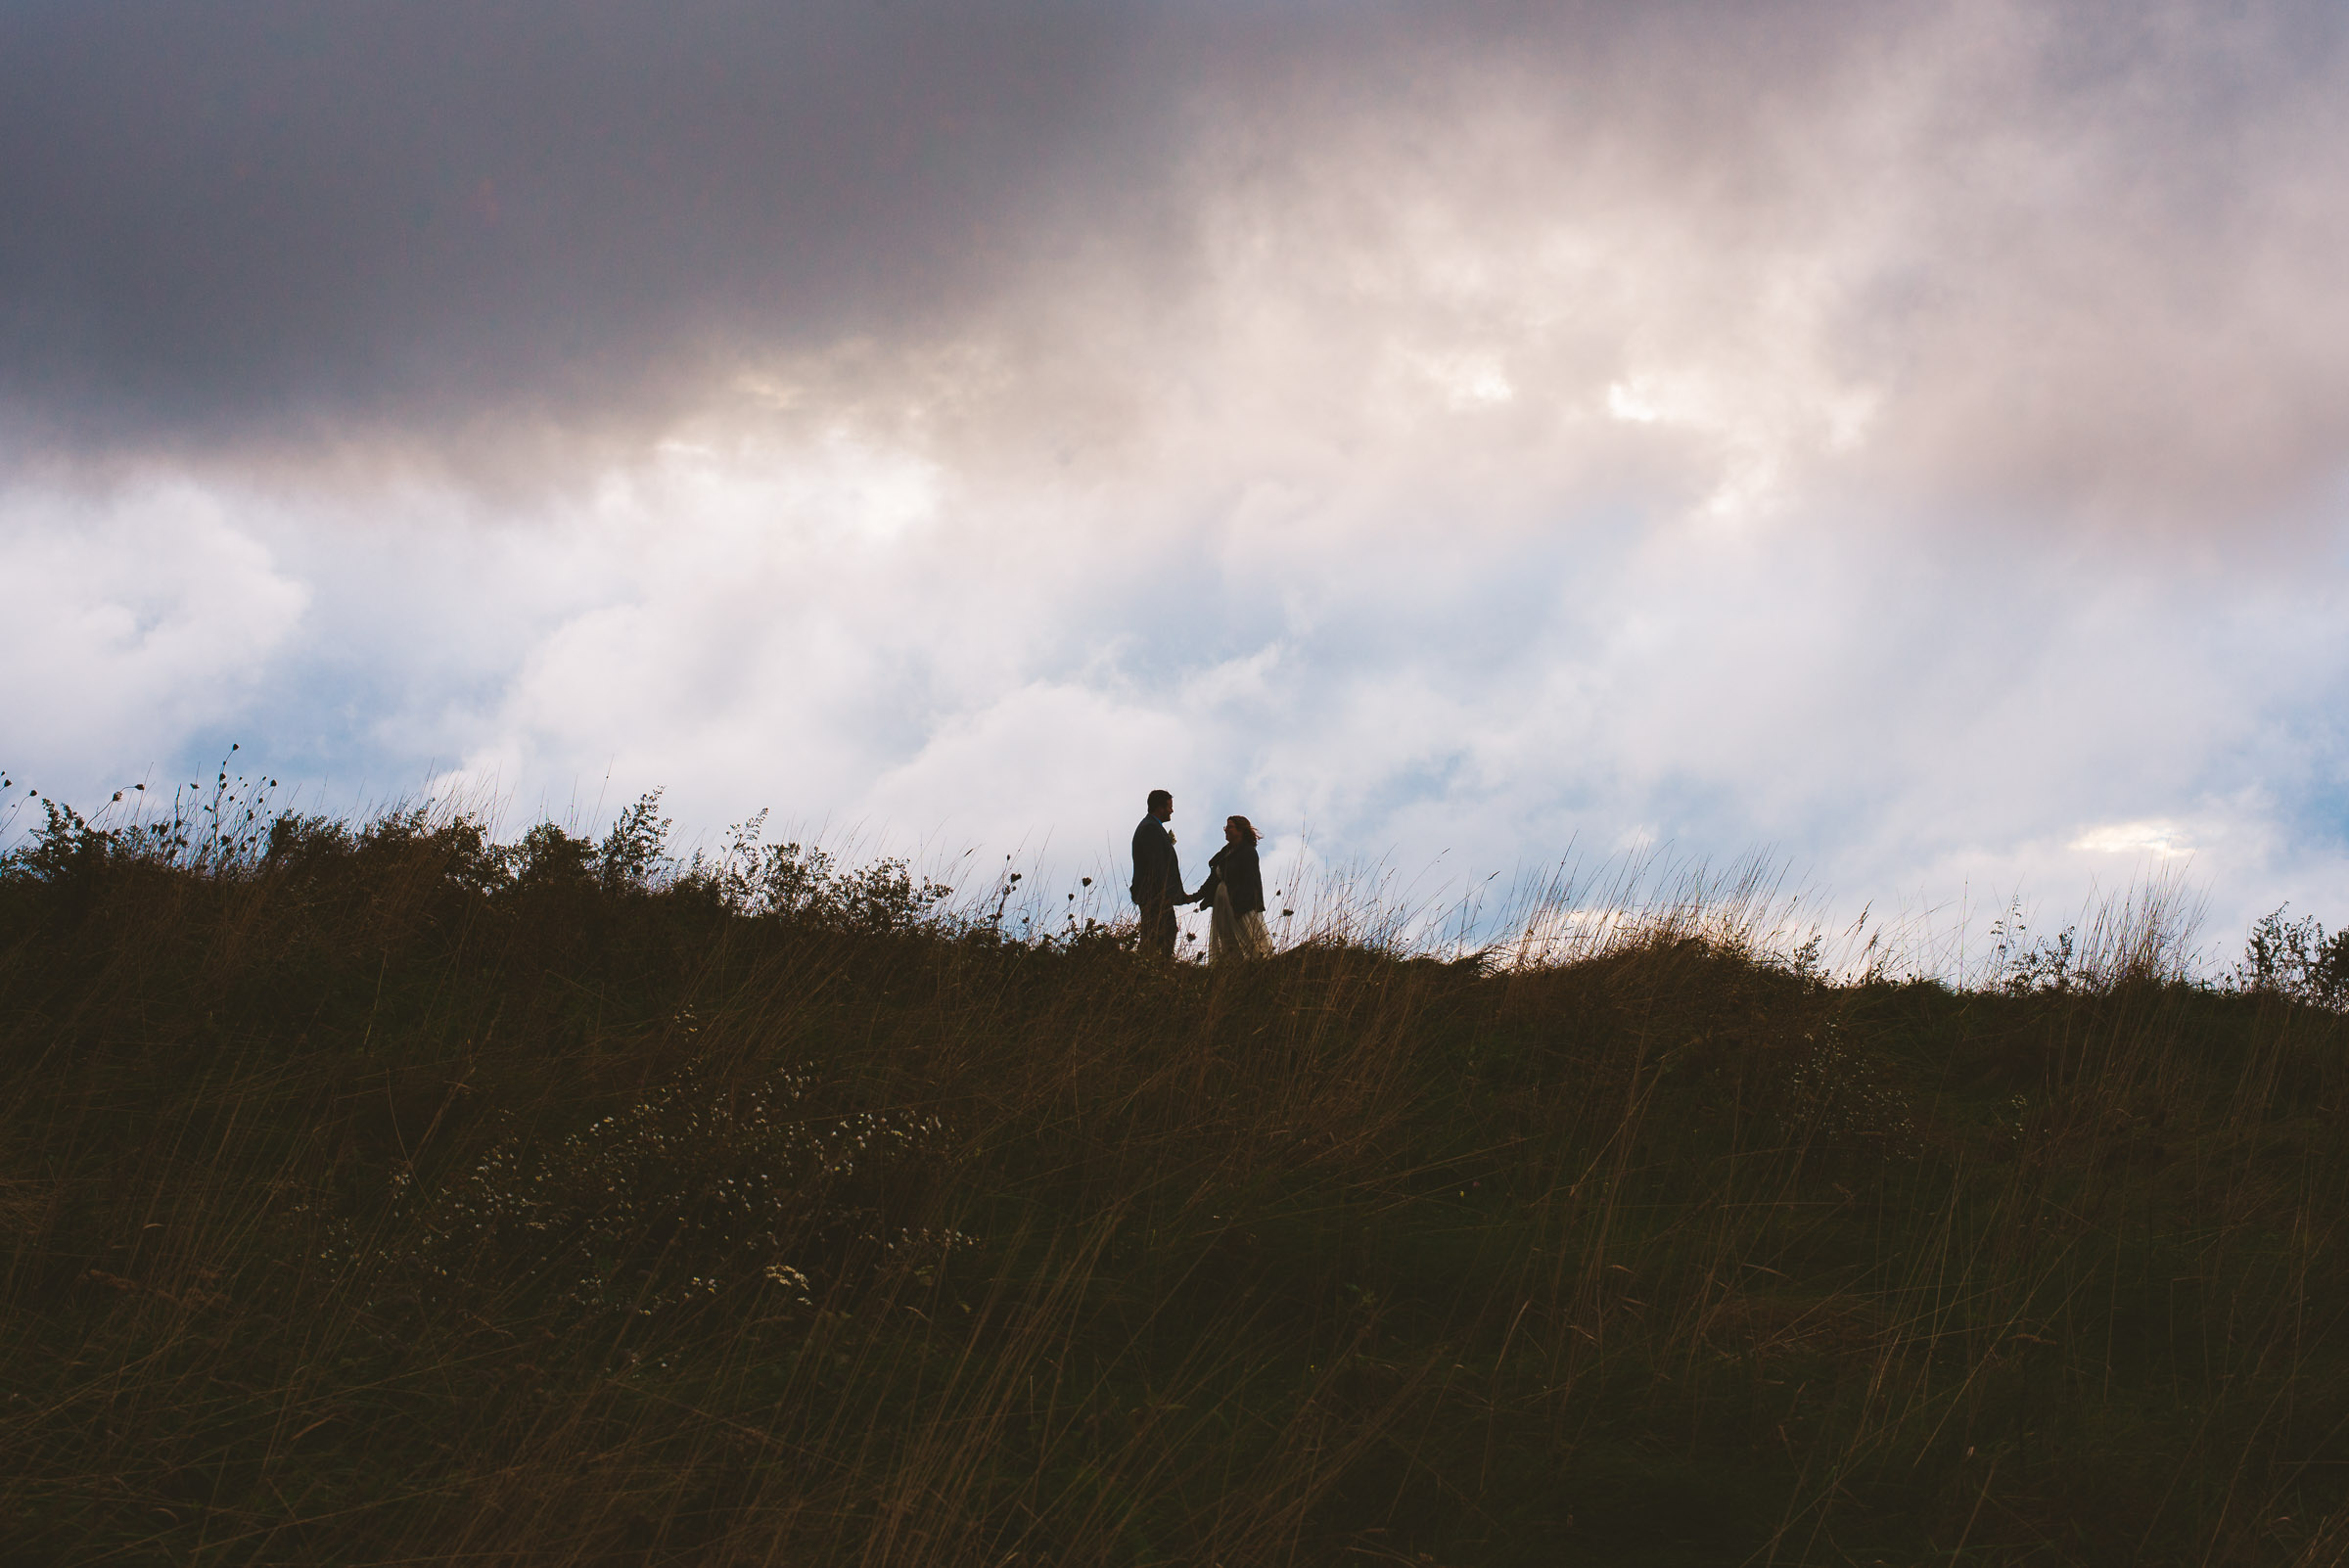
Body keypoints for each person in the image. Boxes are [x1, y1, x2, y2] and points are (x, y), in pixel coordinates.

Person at [1198, 814, 1275, 965]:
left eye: (1230, 827)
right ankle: (1232, 967)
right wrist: (1195, 897)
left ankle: (1261, 965)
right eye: (1226, 827)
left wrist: (1240, 907)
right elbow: (1213, 879)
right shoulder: (1224, 853)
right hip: (1222, 904)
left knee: (1249, 936)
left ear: (1241, 831)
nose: (1226, 830)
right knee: (1228, 939)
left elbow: (1250, 881)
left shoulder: (1248, 852)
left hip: (1240, 904)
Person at [1129, 789, 1194, 958]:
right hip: (1154, 894)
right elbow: (1157, 865)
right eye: (1169, 807)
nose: (1172, 811)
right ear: (1160, 807)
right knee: (1161, 932)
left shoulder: (1151, 826)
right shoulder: (1151, 828)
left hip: (1155, 893)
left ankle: (1151, 966)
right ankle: (1157, 967)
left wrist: (1178, 895)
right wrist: (1166, 894)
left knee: (1157, 932)